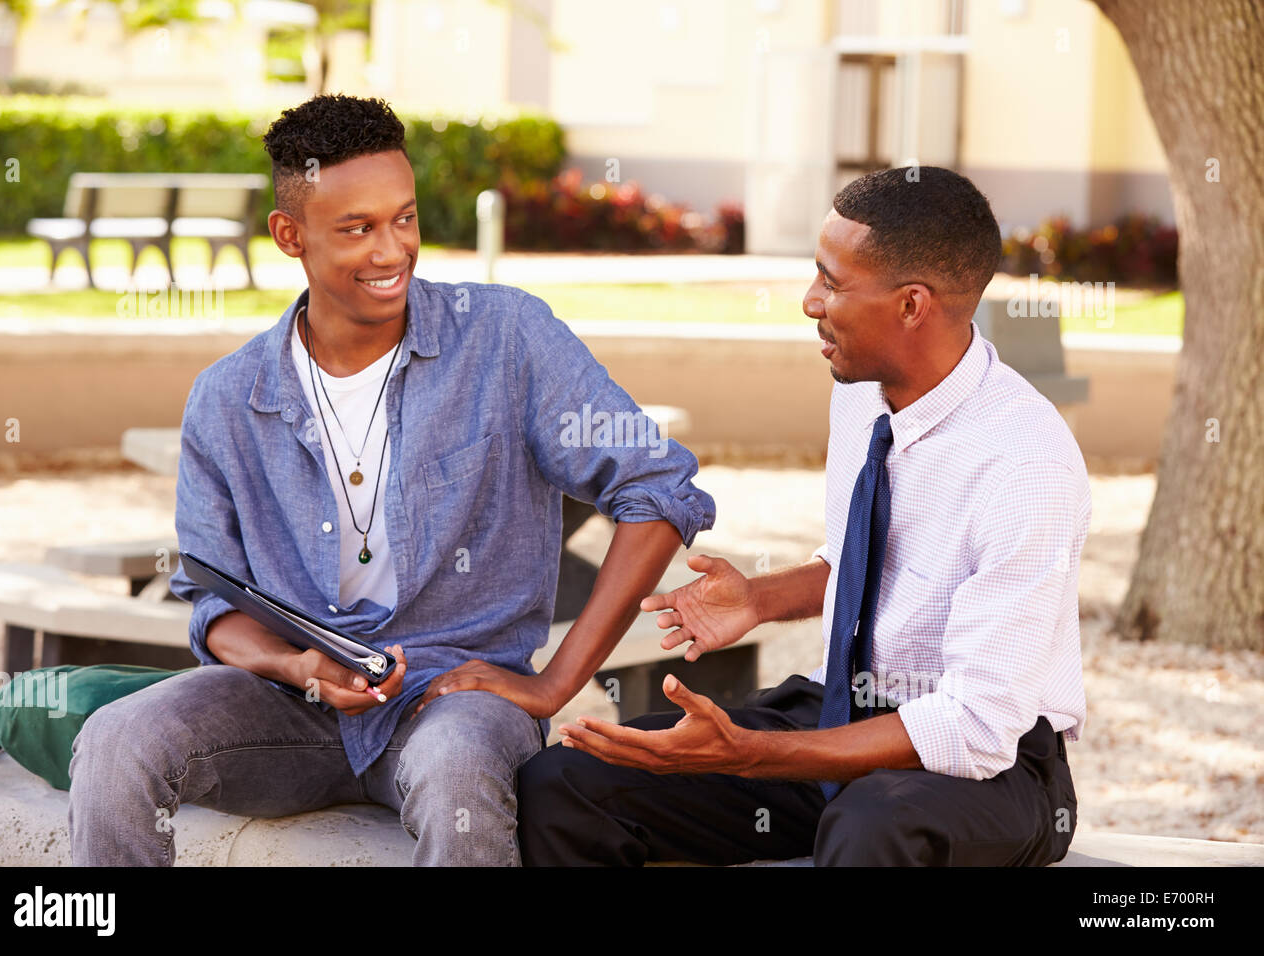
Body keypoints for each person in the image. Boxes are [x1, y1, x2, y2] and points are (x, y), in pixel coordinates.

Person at [67, 94, 715, 866]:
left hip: (458, 700)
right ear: (289, 235)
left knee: (455, 773)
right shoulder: (227, 397)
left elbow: (656, 486)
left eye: (403, 219)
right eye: (357, 229)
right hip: (290, 710)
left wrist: (554, 683)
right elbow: (215, 600)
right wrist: (296, 664)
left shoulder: (506, 337)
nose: (391, 251)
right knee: (114, 740)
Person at [516, 166, 1090, 867]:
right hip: (840, 713)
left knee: (872, 827)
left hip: (987, 766)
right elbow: (866, 560)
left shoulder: (1025, 465)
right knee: (565, 783)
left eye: (833, 283)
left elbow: (976, 725)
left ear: (913, 305)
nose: (810, 302)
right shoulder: (861, 390)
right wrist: (759, 599)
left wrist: (755, 755)